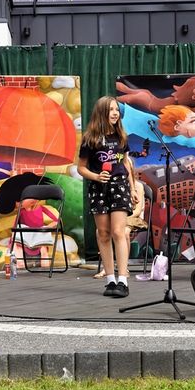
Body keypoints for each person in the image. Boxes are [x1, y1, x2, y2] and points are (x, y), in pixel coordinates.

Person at [77, 96, 140, 298]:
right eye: (111, 109)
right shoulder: (90, 139)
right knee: (103, 233)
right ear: (102, 112)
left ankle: (123, 280)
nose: (115, 113)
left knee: (118, 231)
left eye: (116, 110)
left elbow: (127, 164)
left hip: (119, 186)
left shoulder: (121, 136)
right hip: (99, 188)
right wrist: (96, 176)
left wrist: (132, 189)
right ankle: (110, 280)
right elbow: (80, 168)